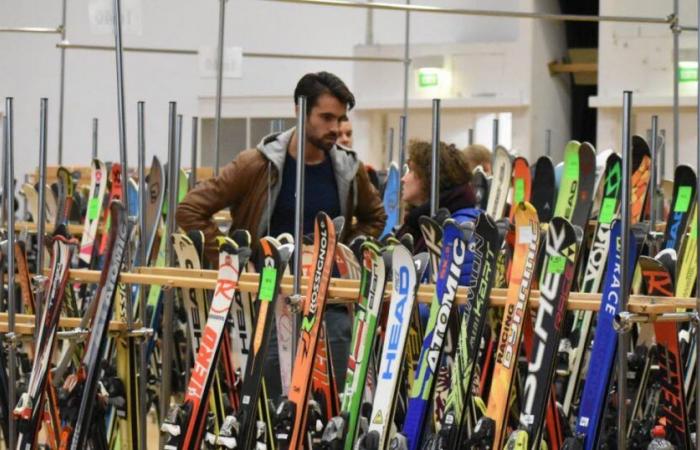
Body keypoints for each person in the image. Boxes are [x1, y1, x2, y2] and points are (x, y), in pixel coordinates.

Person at [176, 71, 386, 399]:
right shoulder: (256, 165)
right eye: (326, 117)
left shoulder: (348, 168)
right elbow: (189, 210)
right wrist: (234, 260)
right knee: (272, 398)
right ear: (300, 112)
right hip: (270, 300)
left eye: (340, 118)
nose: (335, 128)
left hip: (330, 301)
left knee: (335, 398)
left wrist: (347, 255)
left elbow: (375, 217)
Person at [397, 140, 476, 253]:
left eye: (411, 171)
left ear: (429, 177)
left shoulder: (456, 227)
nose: (403, 179)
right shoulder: (415, 223)